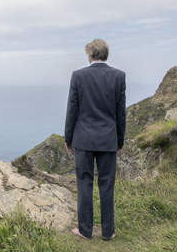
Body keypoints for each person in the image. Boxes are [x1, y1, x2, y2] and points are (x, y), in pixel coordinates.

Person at [64, 39, 126, 240]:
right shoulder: (119, 76)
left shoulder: (78, 76)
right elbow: (120, 113)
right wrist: (120, 140)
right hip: (108, 139)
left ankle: (85, 230)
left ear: (90, 55)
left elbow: (72, 110)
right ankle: (108, 232)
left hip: (83, 139)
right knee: (107, 185)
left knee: (84, 183)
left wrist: (68, 138)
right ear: (106, 54)